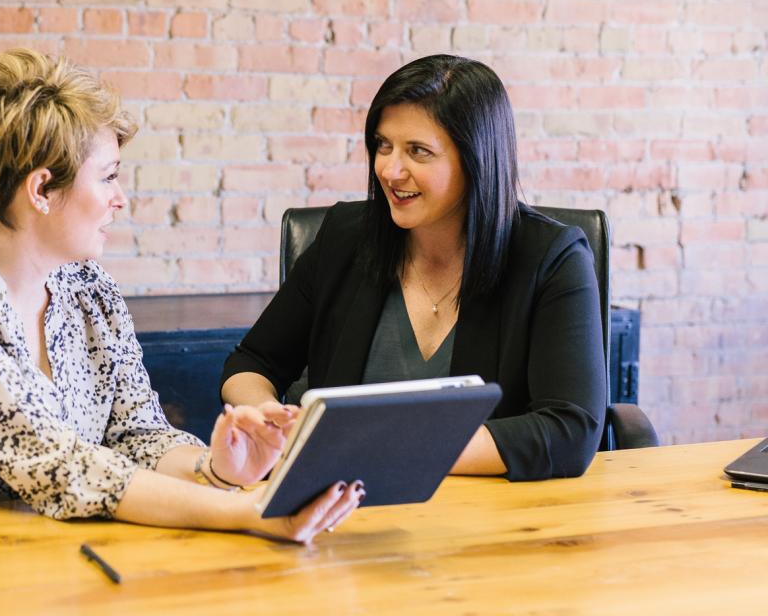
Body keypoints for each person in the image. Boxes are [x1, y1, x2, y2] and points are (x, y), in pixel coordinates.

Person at [0, 48, 363, 542]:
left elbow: (138, 434)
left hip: (30, 550)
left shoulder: (87, 287)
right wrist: (249, 512)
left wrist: (218, 469)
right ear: (41, 190)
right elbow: (61, 466)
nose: (120, 199)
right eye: (108, 177)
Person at [221, 54, 607, 481]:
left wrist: (381, 449)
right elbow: (251, 362)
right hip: (341, 509)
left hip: (489, 516)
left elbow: (570, 430)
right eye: (383, 146)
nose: (390, 169)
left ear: (476, 159)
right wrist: (265, 417)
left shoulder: (552, 258)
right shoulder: (346, 237)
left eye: (418, 151)